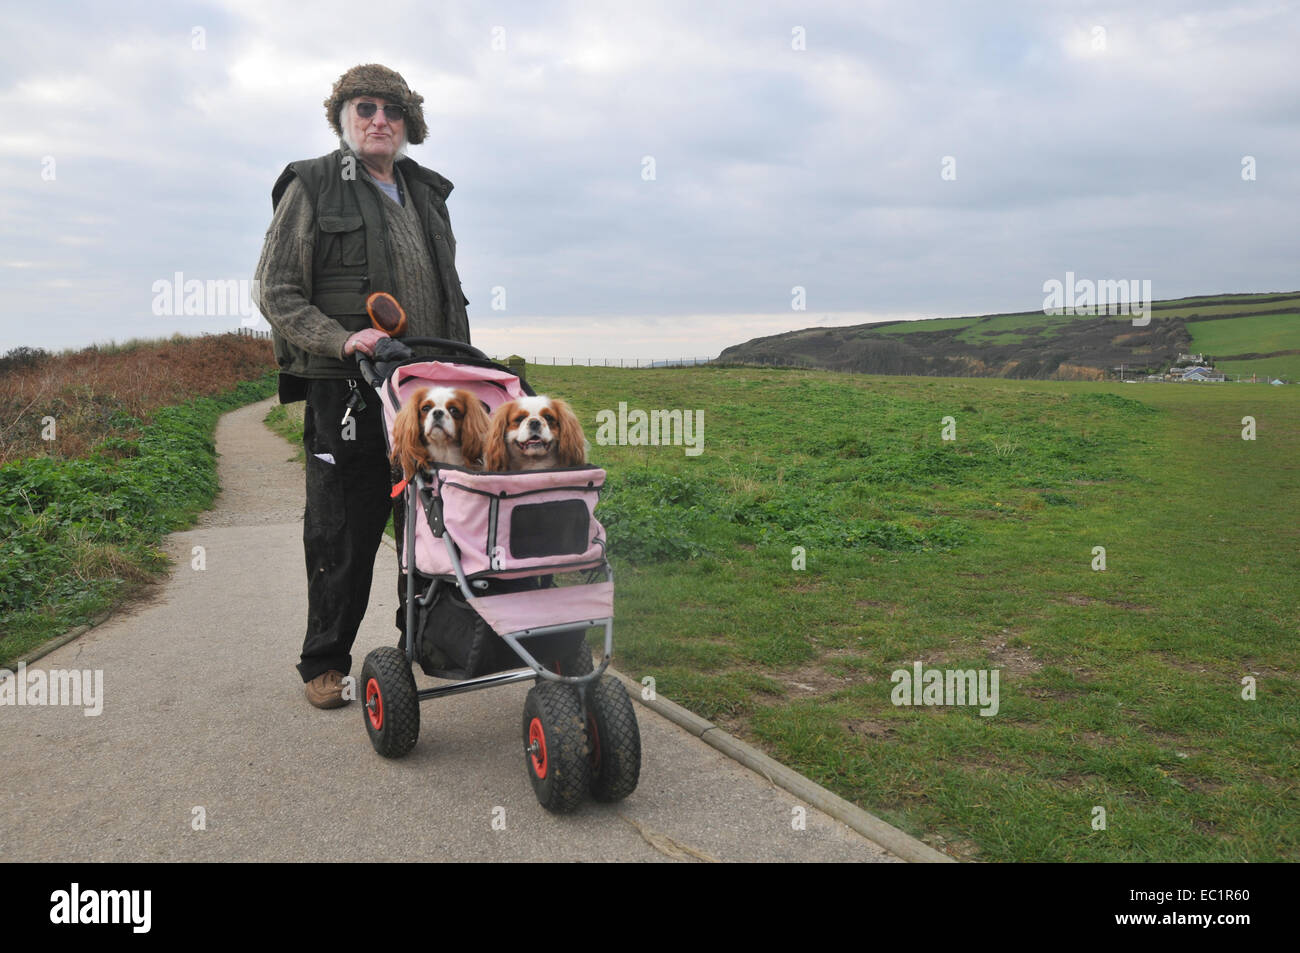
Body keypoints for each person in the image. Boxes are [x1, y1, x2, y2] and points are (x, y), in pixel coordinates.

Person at [255, 63, 472, 708]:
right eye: (365, 107)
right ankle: (324, 663)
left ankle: (424, 646)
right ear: (343, 117)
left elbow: (447, 294)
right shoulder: (314, 183)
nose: (380, 120)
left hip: (428, 392)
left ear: (410, 123)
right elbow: (277, 291)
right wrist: (345, 339)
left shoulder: (427, 194)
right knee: (343, 531)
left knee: (434, 524)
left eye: (393, 111)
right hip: (349, 391)